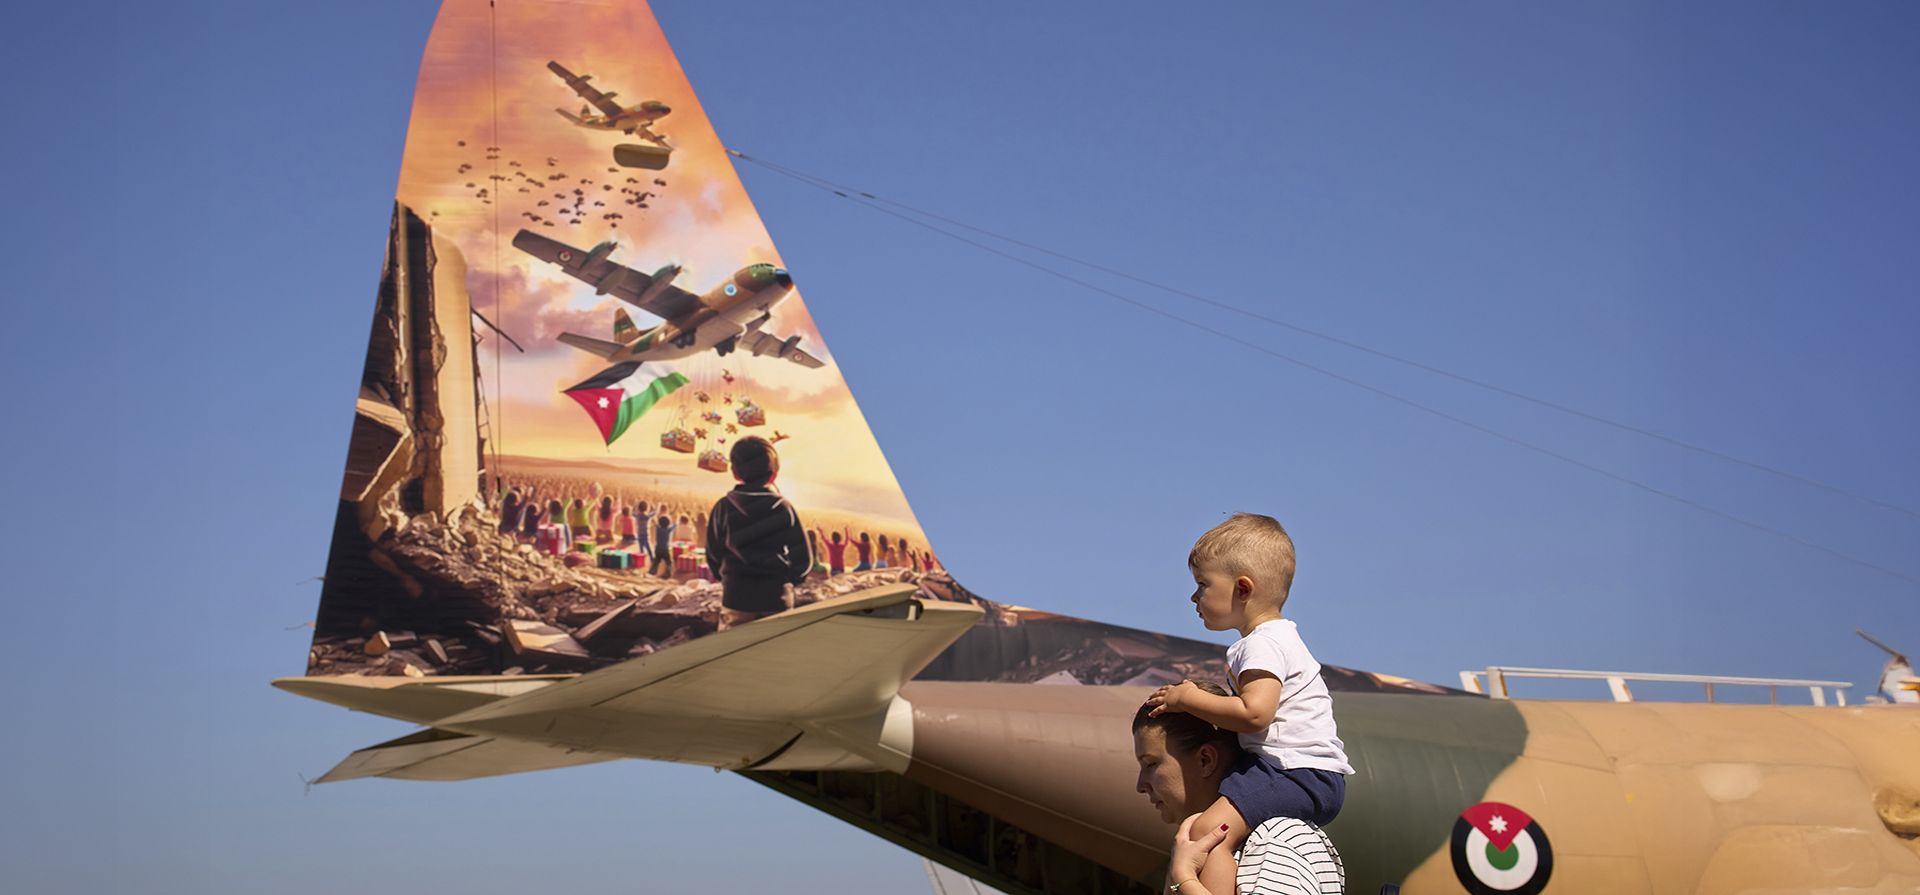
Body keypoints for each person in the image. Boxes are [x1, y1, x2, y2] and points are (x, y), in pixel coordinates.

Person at [1145, 513, 1352, 895]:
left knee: (1210, 833)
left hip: (1294, 772)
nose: (1194, 597)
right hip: (1303, 772)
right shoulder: (1278, 639)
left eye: (1203, 584)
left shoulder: (1261, 644)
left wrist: (1187, 698)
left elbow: (1255, 714)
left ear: (1242, 588)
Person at [1134, 682, 1345, 895]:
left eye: (1151, 764)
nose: (1140, 786)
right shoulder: (1191, 854)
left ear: (1206, 760)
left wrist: (1183, 879)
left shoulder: (1274, 842)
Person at [706, 436, 812, 629]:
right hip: (777, 600)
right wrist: (787, 583)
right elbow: (803, 559)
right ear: (773, 475)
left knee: (735, 647)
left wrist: (728, 580)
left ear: (734, 472)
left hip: (736, 599)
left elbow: (713, 554)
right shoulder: (784, 507)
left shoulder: (723, 507)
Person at [648, 510, 676, 577]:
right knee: (668, 562)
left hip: (657, 548)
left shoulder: (658, 528)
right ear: (668, 523)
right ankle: (667, 573)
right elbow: (674, 525)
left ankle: (652, 572)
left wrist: (654, 515)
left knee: (656, 561)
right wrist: (675, 518)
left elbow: (654, 522)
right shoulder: (668, 530)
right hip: (665, 549)